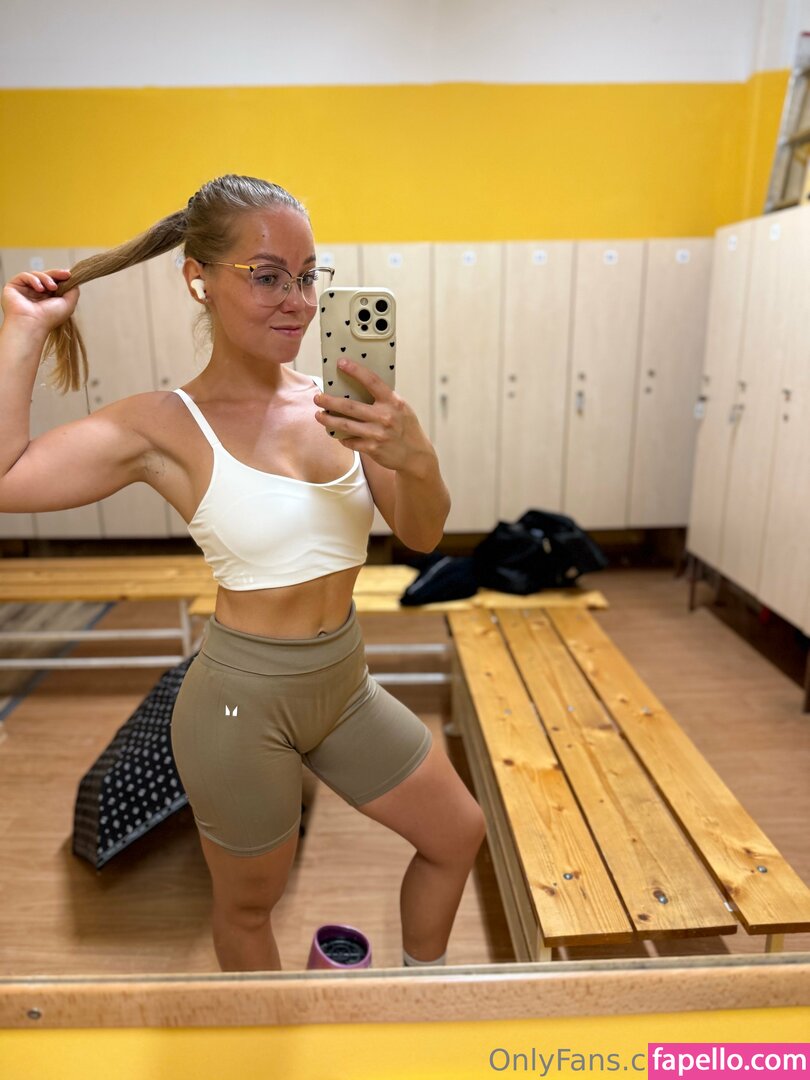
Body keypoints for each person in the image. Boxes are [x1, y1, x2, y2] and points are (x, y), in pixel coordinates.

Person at [0, 174, 486, 972]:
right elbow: (8, 478)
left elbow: (422, 533)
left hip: (344, 686)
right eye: (268, 277)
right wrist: (22, 331)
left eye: (308, 276)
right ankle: (269, 1031)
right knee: (249, 906)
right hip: (236, 705)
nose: (298, 302)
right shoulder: (165, 424)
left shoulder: (341, 405)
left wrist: (417, 457)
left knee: (456, 833)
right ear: (199, 279)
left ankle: (413, 1002)